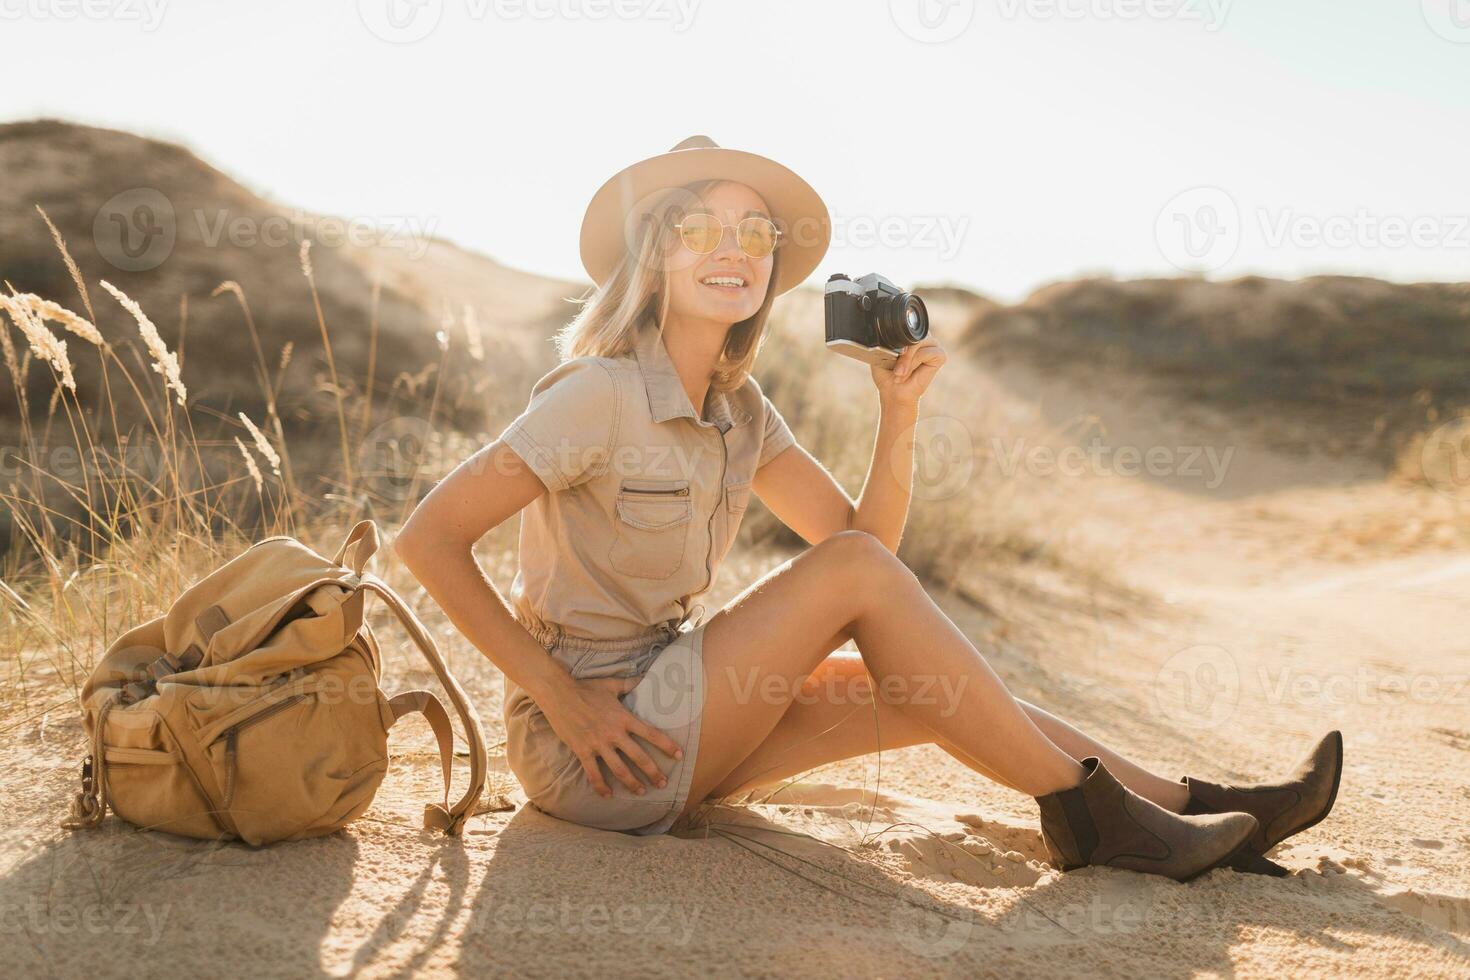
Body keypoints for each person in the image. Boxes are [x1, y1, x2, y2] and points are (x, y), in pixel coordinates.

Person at [394, 136, 1341, 881]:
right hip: (593, 747)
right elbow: (427, 539)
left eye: (756, 234)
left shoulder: (741, 411)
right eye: (701, 230)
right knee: (864, 595)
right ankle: (1096, 825)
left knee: (927, 686)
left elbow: (866, 555)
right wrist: (562, 699)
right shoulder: (597, 393)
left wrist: (898, 417)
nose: (735, 251)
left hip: (677, 706)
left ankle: (1206, 804)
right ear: (655, 253)